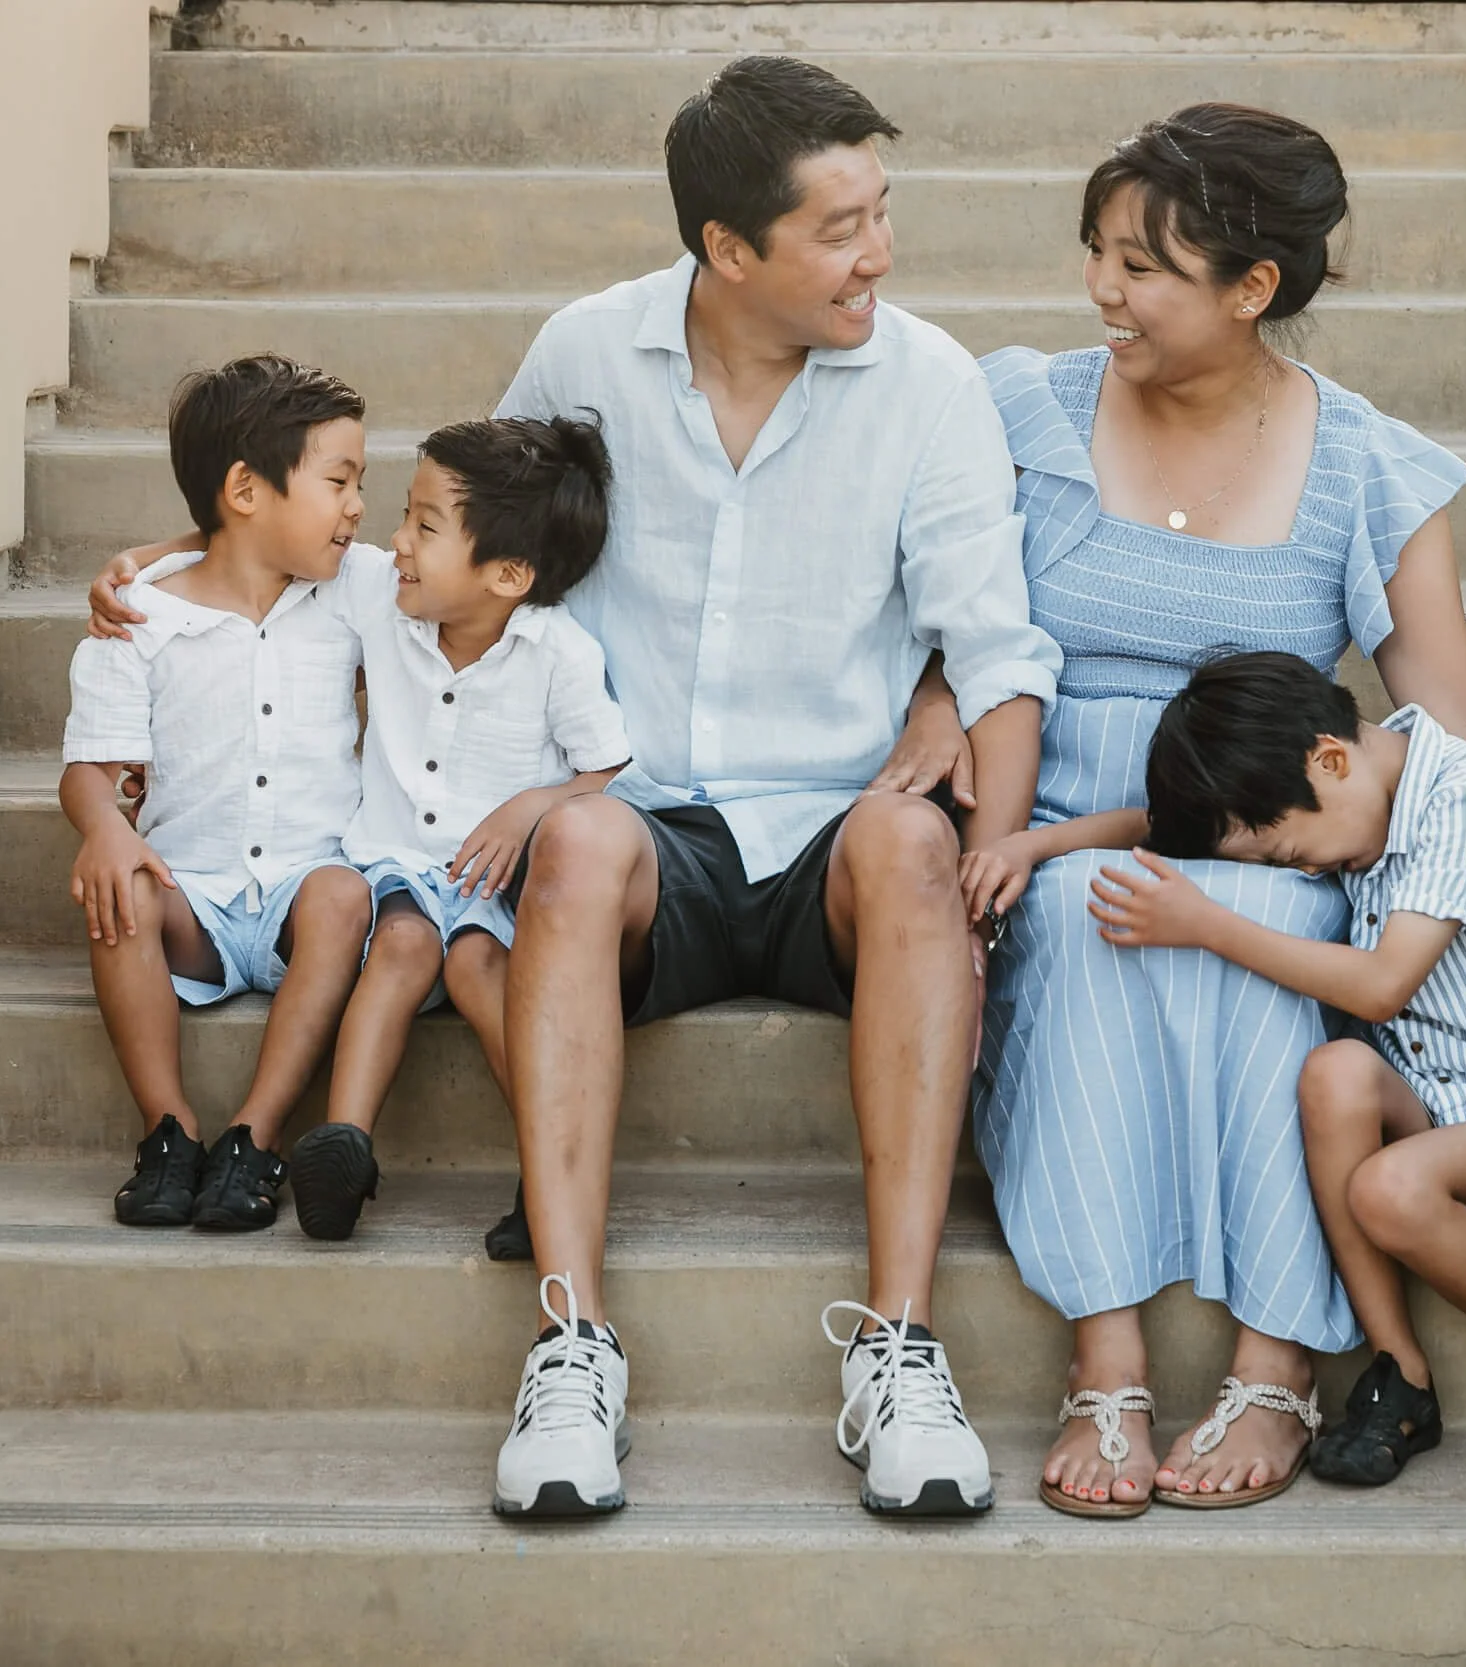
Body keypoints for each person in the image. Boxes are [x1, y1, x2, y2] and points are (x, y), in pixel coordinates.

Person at [949, 105, 1466, 1517]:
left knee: (1262, 908)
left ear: (1252, 288)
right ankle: (1108, 1356)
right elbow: (937, 611)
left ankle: (1274, 1360)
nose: (1104, 291)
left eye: (1144, 268)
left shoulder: (1366, 463)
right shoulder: (1018, 407)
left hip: (1262, 820)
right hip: (1062, 811)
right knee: (1094, 903)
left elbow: (1455, 714)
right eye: (1097, 253)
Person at [474, 56, 1060, 1518]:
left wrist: (993, 845)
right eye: (841, 228)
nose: (880, 253)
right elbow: (481, 563)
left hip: (834, 838)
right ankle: (568, 1344)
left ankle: (901, 1350)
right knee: (577, 840)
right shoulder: (585, 354)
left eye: (882, 212)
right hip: (646, 825)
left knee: (914, 849)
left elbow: (994, 647)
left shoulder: (925, 379)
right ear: (728, 251)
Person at [1114, 650, 1466, 1487]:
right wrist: (1029, 843)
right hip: (1442, 1113)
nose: (1301, 870)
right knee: (1333, 1073)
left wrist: (1209, 923)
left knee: (1387, 1187)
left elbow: (1380, 985)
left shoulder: (1462, 798)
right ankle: (1402, 1374)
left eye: (1288, 850)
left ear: (1330, 760)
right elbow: (1136, 828)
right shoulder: (1363, 795)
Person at [124, 417, 634, 1242]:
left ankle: (549, 1173)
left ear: (508, 574)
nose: (394, 540)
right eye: (403, 514)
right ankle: (343, 1145)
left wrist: (533, 806)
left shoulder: (557, 653)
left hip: (488, 886)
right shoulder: (383, 595)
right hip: (394, 867)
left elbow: (609, 770)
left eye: (424, 526)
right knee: (399, 947)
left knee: (475, 966)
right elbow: (261, 534)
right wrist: (149, 559)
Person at [62, 354, 375, 1233]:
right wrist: (105, 830)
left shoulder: (351, 585)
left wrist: (166, 546)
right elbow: (89, 766)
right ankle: (169, 1129)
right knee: (119, 884)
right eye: (340, 480)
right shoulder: (139, 620)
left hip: (300, 902)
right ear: (245, 488)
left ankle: (255, 1137)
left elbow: (452, 559)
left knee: (345, 893)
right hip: (190, 900)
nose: (358, 505)